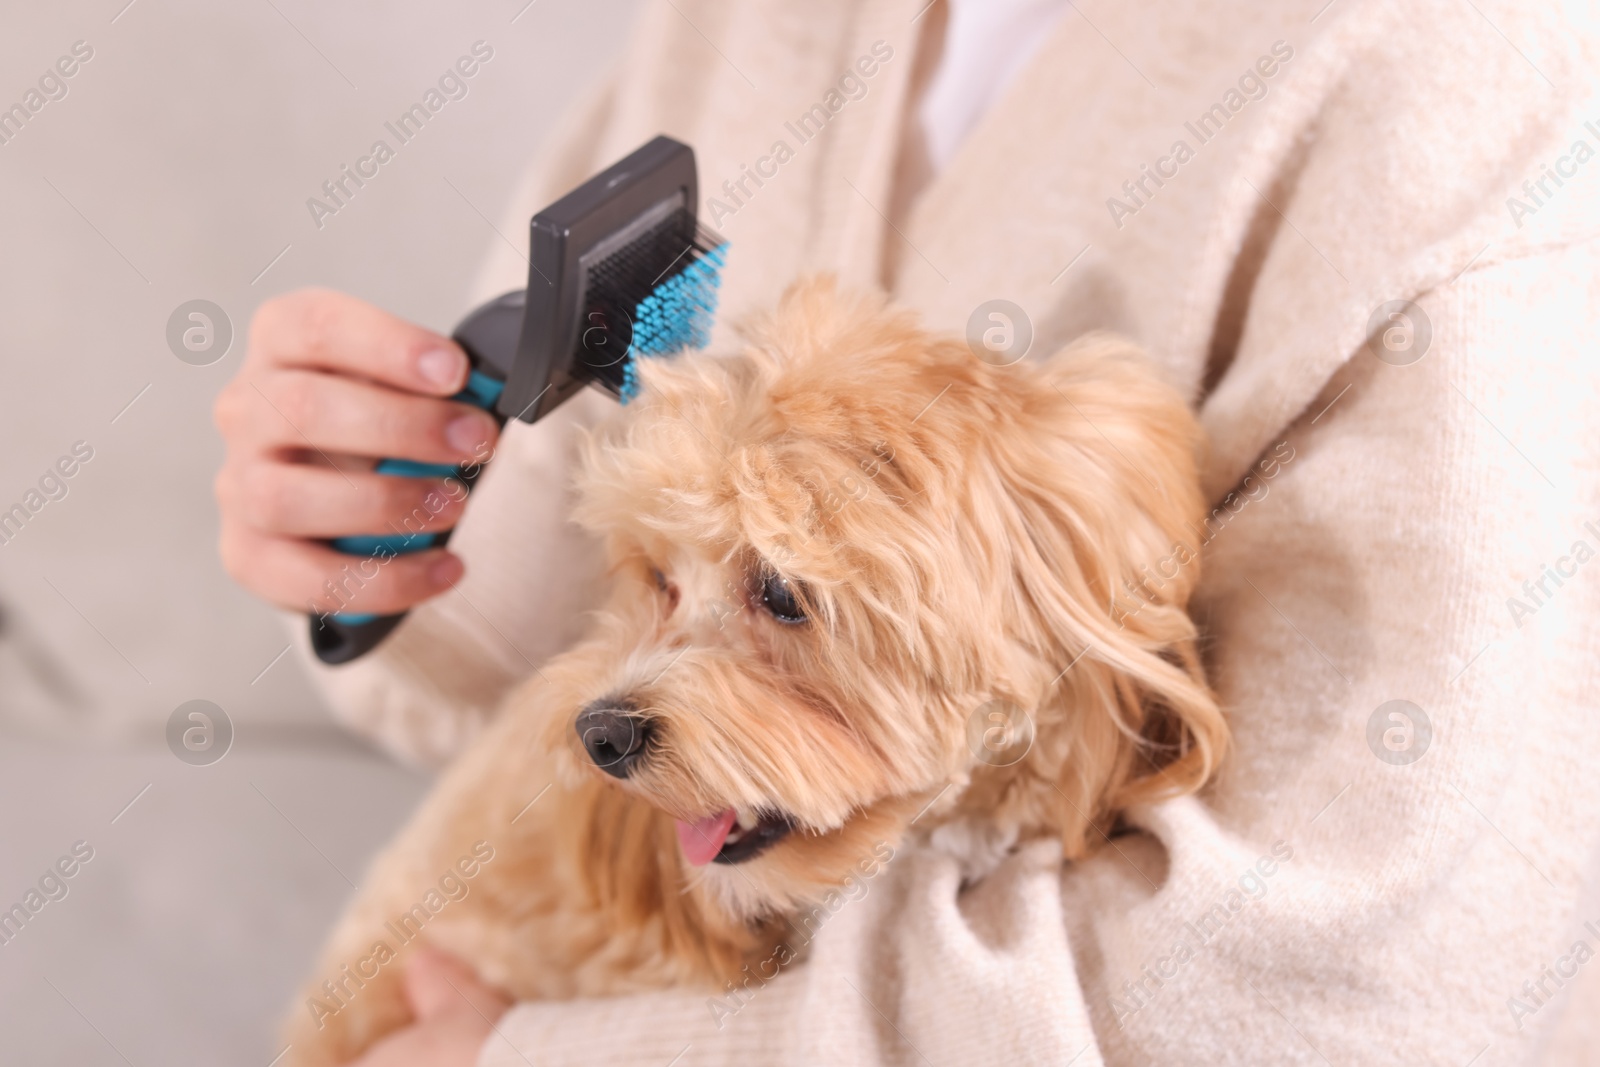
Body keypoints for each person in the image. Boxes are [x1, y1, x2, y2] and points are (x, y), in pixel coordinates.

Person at [214, 1, 1600, 1063]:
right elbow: (551, 634)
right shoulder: (752, 21)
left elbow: (1357, 999)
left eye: (785, 596)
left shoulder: (1462, 84)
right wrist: (377, 511)